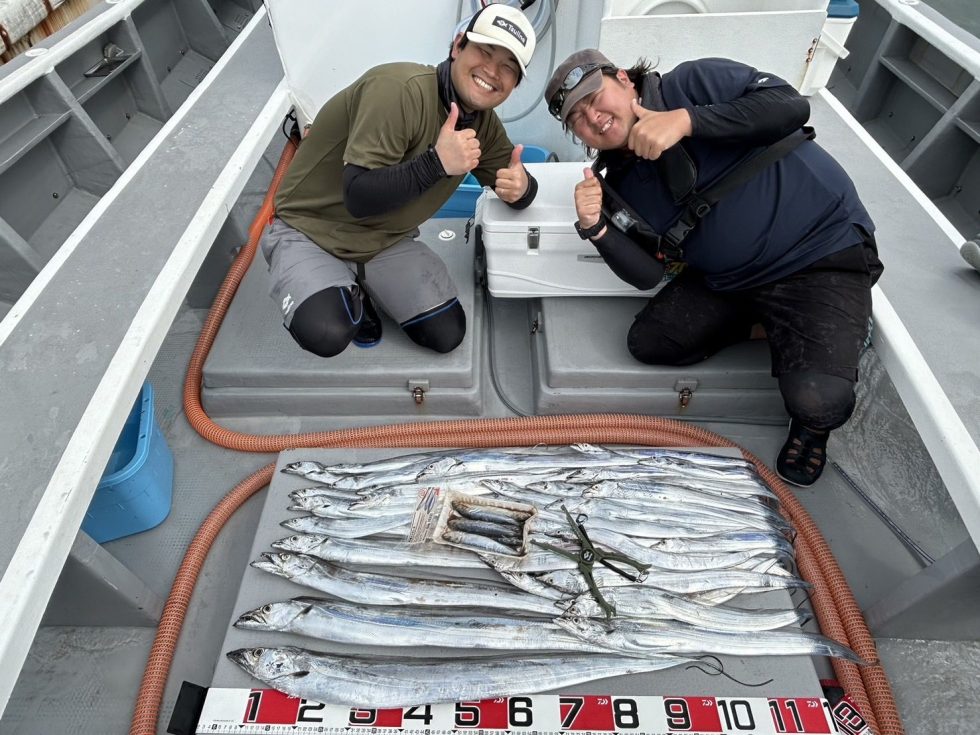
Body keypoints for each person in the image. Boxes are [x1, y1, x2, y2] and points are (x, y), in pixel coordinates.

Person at [545, 49, 884, 487]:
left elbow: (790, 105)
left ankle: (812, 423)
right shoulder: (614, 181)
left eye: (595, 97)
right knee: (650, 342)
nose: (594, 117)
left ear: (625, 80)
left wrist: (686, 121)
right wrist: (594, 228)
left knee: (819, 401)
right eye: (577, 118)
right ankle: (778, 328)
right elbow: (647, 274)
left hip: (819, 255)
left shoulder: (693, 83)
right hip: (733, 282)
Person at [261, 5, 539, 357]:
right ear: (457, 46)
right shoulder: (396, 90)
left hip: (382, 240)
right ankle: (341, 285)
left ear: (514, 85)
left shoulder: (484, 126)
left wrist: (523, 188)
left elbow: (517, 187)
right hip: (310, 229)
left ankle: (358, 281)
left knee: (447, 333)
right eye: (484, 52)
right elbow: (358, 197)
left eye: (509, 68)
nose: (492, 71)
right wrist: (436, 163)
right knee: (327, 331)